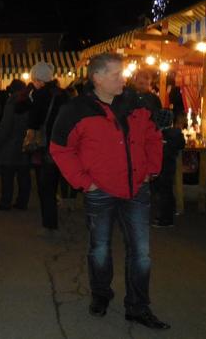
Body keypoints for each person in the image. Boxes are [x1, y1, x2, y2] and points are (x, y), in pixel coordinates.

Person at [50, 53, 168, 329]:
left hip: (136, 189)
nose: (123, 79)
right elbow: (60, 148)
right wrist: (84, 182)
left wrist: (152, 168)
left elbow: (152, 136)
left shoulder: (136, 104)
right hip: (99, 190)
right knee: (100, 249)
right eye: (116, 74)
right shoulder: (76, 109)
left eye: (122, 73)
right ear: (97, 78)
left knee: (141, 253)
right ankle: (101, 295)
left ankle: (138, 307)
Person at [23, 62, 67, 232]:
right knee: (54, 181)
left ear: (40, 80)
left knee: (45, 186)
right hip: (61, 145)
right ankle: (54, 215)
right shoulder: (63, 95)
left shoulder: (40, 96)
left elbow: (33, 122)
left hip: (44, 145)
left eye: (34, 79)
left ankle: (50, 222)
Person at [0, 79, 31, 210]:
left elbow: (6, 125)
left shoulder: (12, 102)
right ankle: (22, 202)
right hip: (24, 144)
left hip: (10, 145)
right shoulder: (29, 101)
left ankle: (5, 202)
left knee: (7, 176)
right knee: (23, 175)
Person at [152, 112, 185, 227]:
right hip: (170, 165)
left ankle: (165, 219)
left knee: (163, 192)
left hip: (160, 166)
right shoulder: (176, 134)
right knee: (167, 191)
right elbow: (181, 145)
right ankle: (169, 214)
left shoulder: (159, 134)